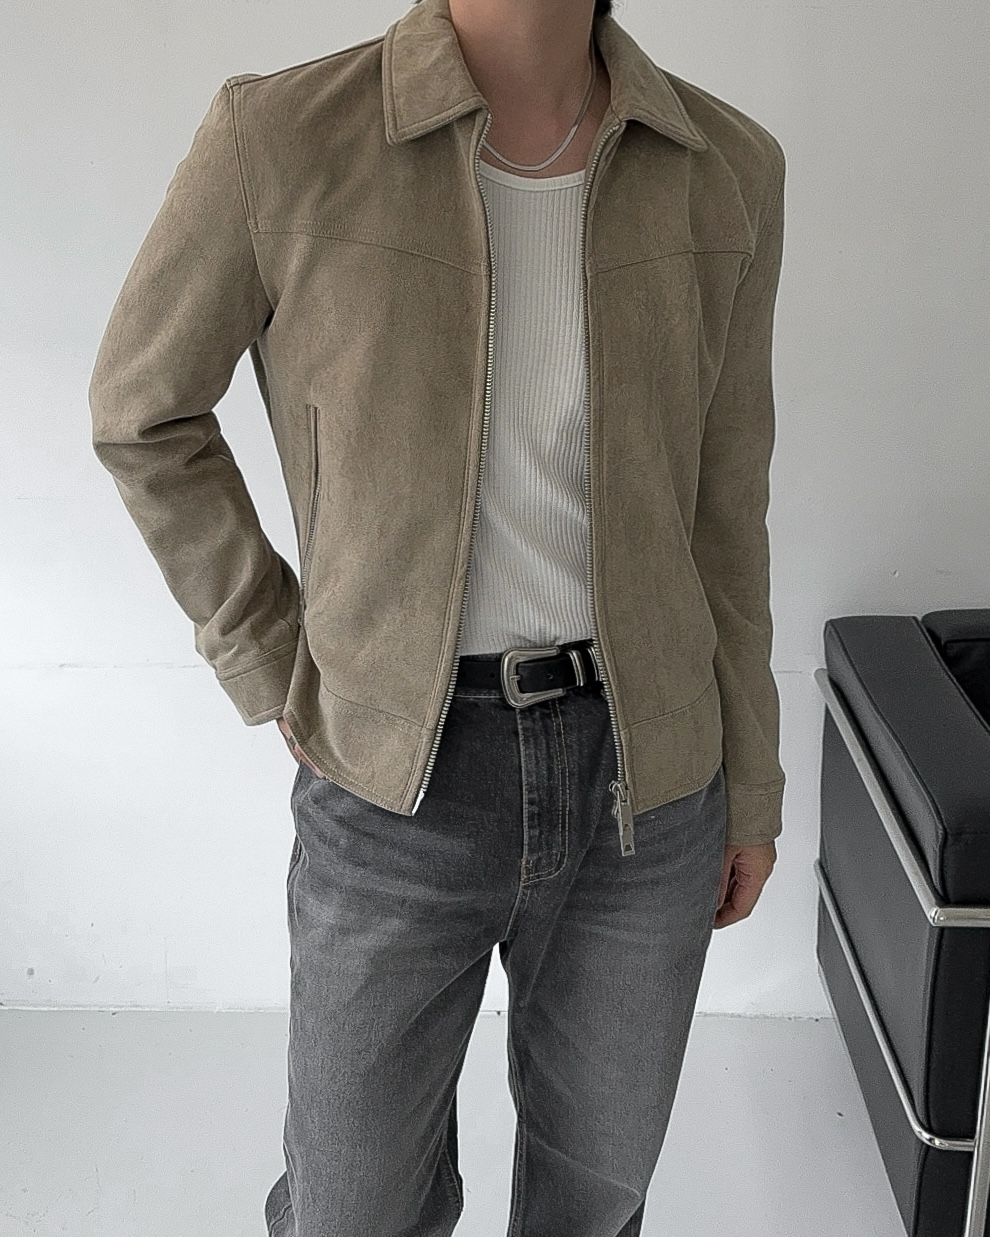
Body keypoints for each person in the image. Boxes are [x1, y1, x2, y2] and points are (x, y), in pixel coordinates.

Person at [88, 0, 787, 1231]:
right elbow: (144, 415)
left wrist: (753, 784)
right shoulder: (282, 138)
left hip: (651, 784)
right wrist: (269, 652)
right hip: (395, 779)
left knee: (598, 1196)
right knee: (351, 1207)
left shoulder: (725, 167)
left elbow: (725, 510)